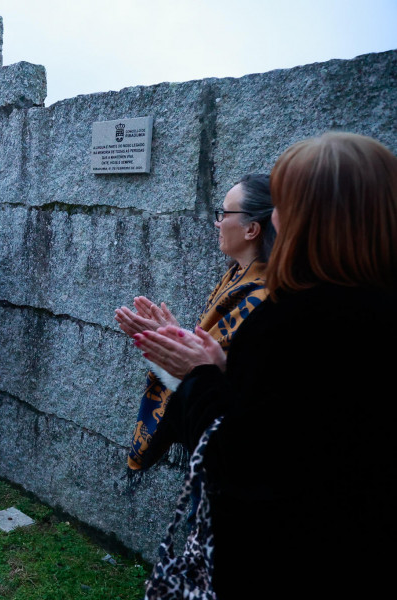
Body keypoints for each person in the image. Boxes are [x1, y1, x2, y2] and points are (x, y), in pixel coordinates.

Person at [135, 132, 396, 599]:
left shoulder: (297, 318)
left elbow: (240, 459)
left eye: (286, 203)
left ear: (311, 217)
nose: (275, 216)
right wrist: (214, 362)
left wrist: (198, 376)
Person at [115, 174, 274, 471]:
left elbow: (234, 385)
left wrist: (179, 353)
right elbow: (216, 361)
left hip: (241, 463)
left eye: (225, 213)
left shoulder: (266, 296)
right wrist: (174, 340)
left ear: (252, 229)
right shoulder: (237, 277)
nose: (218, 222)